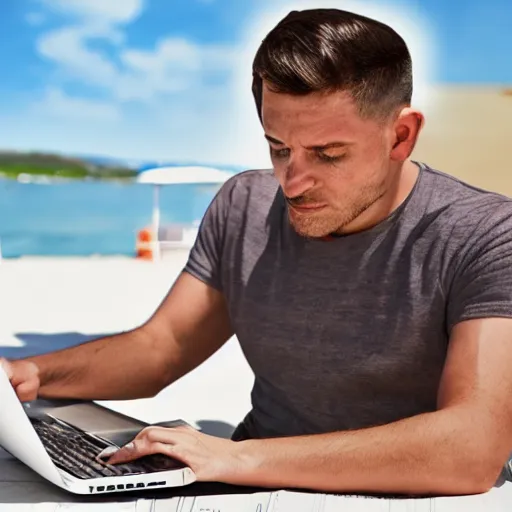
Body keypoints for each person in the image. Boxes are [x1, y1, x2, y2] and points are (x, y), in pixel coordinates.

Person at [2, 7, 512, 497]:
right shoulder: (243, 203)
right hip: (247, 487)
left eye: (328, 154)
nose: (293, 182)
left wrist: (236, 458)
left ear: (401, 135)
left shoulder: (487, 233)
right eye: (278, 147)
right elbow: (163, 347)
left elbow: (471, 448)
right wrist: (33, 375)